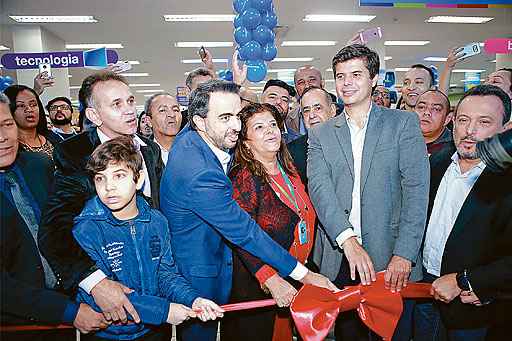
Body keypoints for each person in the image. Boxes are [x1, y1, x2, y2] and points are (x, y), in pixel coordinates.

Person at [160, 79, 337, 341]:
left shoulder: (192, 138)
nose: (235, 126)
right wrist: (306, 275)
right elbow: (245, 232)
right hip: (199, 277)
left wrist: (232, 83)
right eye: (224, 118)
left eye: (235, 115)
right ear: (199, 122)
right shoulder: (200, 173)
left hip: (217, 265)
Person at [307, 44, 430, 341]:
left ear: (374, 78)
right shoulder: (321, 133)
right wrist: (348, 241)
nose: (347, 82)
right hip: (342, 260)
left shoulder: (402, 124)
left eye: (356, 74)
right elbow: (320, 189)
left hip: (392, 262)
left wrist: (404, 254)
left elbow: (416, 191)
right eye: (340, 76)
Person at [39, 71, 164, 327]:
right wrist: (96, 283)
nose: (129, 110)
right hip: (108, 292)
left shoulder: (149, 149)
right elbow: (54, 229)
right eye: (116, 104)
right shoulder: (75, 153)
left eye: (130, 101)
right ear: (94, 116)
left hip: (153, 285)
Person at [73, 137, 222, 340]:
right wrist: (164, 311)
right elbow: (103, 296)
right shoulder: (87, 228)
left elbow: (165, 274)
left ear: (139, 179)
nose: (109, 187)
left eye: (119, 176)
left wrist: (193, 299)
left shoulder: (157, 222)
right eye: (100, 178)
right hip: (109, 334)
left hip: (152, 330)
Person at [0, 92, 108, 341]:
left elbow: (64, 230)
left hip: (63, 313)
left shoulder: (39, 166)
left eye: (7, 124)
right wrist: (68, 312)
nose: (3, 137)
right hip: (15, 325)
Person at [414, 84, 512, 341]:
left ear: (504, 129)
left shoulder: (507, 179)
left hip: (476, 309)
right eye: (464, 120)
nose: (470, 130)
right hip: (425, 294)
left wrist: (467, 280)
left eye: (484, 122)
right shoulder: (435, 163)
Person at [221, 103, 316, 341]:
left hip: (293, 276)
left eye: (273, 124)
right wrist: (269, 279)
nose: (270, 130)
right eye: (259, 127)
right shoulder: (243, 177)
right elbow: (241, 238)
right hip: (257, 286)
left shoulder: (289, 170)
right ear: (245, 143)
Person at [287, 86, 337, 185]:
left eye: (318, 108)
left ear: (332, 110)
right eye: (306, 110)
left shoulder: (350, 143)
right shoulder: (291, 152)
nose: (312, 115)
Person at [4, 85, 60, 160]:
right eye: (21, 105)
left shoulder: (54, 138)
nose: (29, 109)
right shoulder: (6, 148)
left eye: (33, 105)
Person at [144, 93, 183, 165]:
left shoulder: (195, 149)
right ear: (149, 121)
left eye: (176, 110)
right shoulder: (142, 154)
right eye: (162, 110)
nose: (171, 115)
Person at [414, 90, 454, 155]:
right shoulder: (400, 140)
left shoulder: (455, 151)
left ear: (447, 119)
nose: (427, 112)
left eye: (436, 109)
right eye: (421, 107)